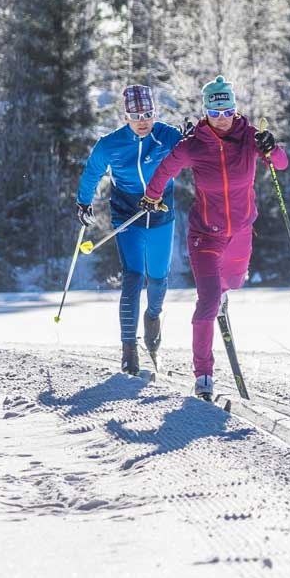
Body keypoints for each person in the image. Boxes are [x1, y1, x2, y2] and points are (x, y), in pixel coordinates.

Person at [141, 76, 287, 401]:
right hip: (205, 234)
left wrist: (271, 147)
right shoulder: (194, 145)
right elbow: (165, 169)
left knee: (232, 282)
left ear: (235, 109)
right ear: (205, 111)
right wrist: (151, 197)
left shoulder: (250, 138)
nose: (222, 118)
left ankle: (222, 294)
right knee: (207, 301)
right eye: (215, 111)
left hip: (241, 232)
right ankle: (203, 375)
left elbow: (281, 163)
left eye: (228, 110)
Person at [76, 84, 182, 376]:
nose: (143, 120)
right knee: (133, 277)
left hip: (161, 214)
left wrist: (193, 132)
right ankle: (128, 350)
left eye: (148, 113)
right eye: (136, 115)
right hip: (128, 215)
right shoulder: (110, 144)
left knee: (158, 279)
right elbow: (92, 172)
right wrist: (83, 203)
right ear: (126, 116)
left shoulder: (166, 135)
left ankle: (153, 317)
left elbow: (195, 147)